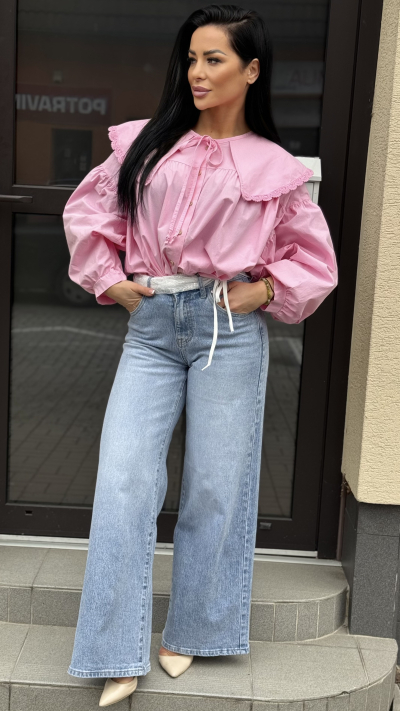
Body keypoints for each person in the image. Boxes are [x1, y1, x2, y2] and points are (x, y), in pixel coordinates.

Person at [63, 4, 338, 707]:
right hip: (153, 326)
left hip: (228, 331)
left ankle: (196, 626)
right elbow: (91, 212)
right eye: (191, 58)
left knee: (217, 485)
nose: (197, 72)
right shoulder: (147, 144)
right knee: (124, 481)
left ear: (252, 69)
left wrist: (263, 290)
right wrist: (111, 281)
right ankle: (114, 647)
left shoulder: (274, 169)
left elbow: (314, 261)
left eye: (214, 59)